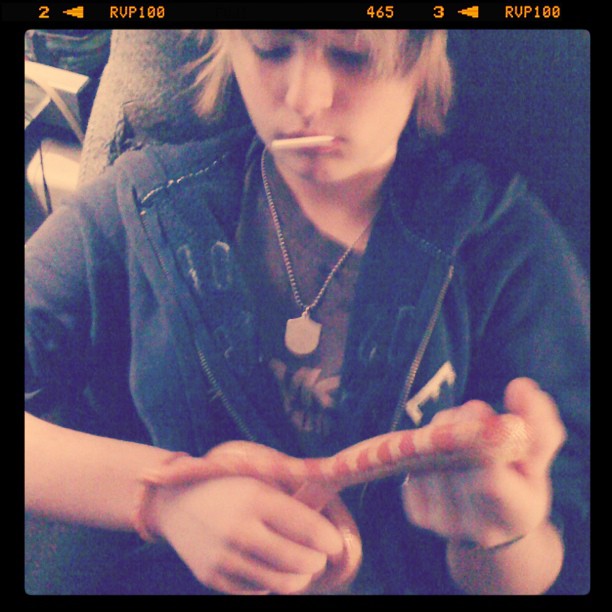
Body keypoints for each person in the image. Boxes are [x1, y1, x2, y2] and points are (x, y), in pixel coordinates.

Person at [24, 29, 590, 595]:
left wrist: (497, 536)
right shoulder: (145, 206)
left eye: (353, 56)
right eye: (270, 49)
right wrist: (162, 499)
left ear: (424, 57)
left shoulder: (504, 244)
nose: (304, 99)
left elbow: (550, 559)